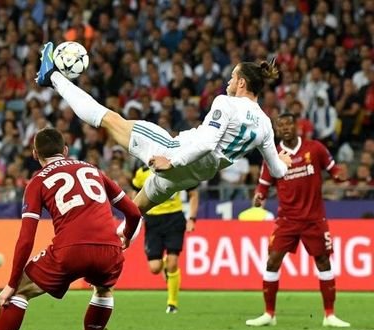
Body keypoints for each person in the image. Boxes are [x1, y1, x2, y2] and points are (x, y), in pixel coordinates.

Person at [36, 42, 292, 217]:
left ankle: (53, 76)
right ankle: (113, 250)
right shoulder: (265, 124)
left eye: (233, 77)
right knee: (133, 214)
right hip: (190, 178)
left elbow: (206, 144)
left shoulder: (226, 103)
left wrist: (172, 160)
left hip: (175, 154)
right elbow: (277, 170)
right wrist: (283, 161)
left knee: (110, 119)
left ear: (242, 82)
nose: (229, 81)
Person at [0, 128, 142, 330]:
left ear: (34, 154)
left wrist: (11, 283)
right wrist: (125, 236)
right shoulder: (94, 170)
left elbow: (26, 238)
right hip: (109, 248)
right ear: (65, 150)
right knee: (104, 290)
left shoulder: (38, 181)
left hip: (70, 249)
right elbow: (134, 213)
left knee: (20, 290)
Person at [245, 113, 350, 328]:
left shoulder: (315, 149)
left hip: (314, 219)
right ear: (276, 129)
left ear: (297, 127)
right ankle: (269, 314)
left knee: (323, 261)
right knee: (272, 260)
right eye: (280, 125)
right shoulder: (273, 155)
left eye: (288, 124)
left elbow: (333, 169)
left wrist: (340, 174)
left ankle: (329, 314)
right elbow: (263, 186)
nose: (285, 128)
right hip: (287, 220)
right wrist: (259, 196)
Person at [132, 165, 199, 313]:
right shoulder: (142, 172)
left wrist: (192, 218)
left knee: (173, 262)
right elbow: (135, 194)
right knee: (155, 268)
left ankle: (172, 303)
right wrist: (134, 216)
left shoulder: (178, 168)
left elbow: (193, 193)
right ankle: (166, 264)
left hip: (174, 218)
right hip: (152, 221)